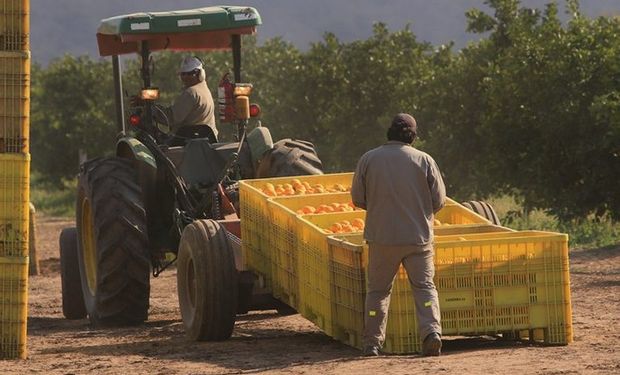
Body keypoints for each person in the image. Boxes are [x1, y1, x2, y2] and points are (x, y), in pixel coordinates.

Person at [350, 113, 446, 357]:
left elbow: (358, 199)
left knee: (378, 292)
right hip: (418, 239)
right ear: (413, 136)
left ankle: (372, 343)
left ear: (389, 132)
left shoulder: (368, 159)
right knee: (424, 288)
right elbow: (439, 200)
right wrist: (419, 212)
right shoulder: (424, 160)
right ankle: (431, 333)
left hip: (382, 238)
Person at [157, 56, 217, 144]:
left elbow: (171, 118)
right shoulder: (204, 89)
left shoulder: (191, 92)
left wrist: (151, 109)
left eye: (190, 74)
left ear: (199, 74)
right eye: (183, 74)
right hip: (206, 141)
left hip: (189, 142)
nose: (185, 77)